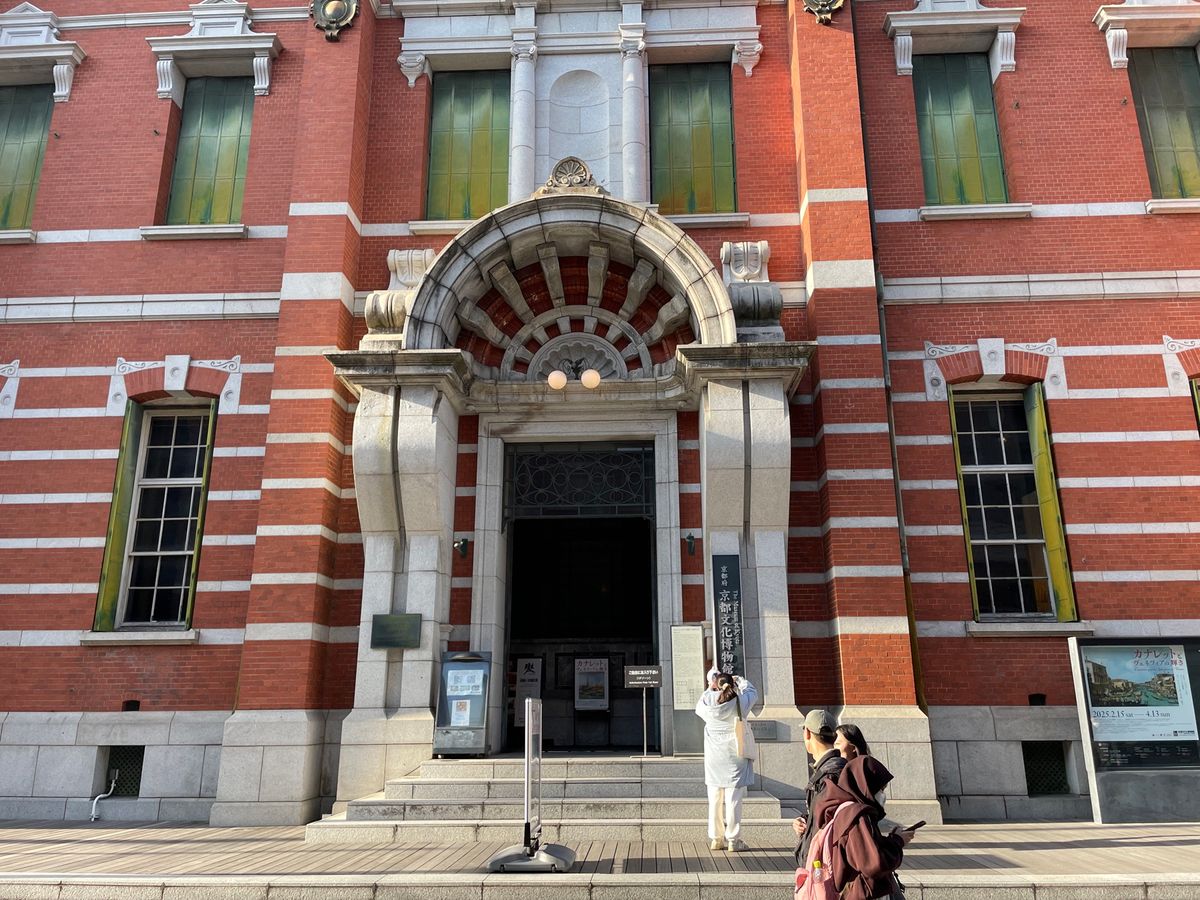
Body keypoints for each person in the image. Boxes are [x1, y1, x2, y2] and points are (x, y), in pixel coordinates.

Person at [808, 755, 916, 900]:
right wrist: (897, 841)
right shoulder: (856, 816)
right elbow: (873, 863)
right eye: (881, 789)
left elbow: (862, 851)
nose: (883, 795)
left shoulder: (843, 809)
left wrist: (890, 839)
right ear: (866, 786)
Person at [695, 667, 758, 852]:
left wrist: (710, 685)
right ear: (731, 683)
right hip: (735, 755)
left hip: (715, 757)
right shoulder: (739, 701)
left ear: (716, 684)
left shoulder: (707, 700)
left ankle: (716, 838)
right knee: (733, 798)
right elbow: (752, 692)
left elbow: (698, 706)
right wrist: (740, 680)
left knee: (714, 797)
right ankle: (733, 839)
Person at [792, 709, 846, 865]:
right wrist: (806, 820)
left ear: (807, 734)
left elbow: (826, 823)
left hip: (823, 864)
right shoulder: (838, 768)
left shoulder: (828, 774)